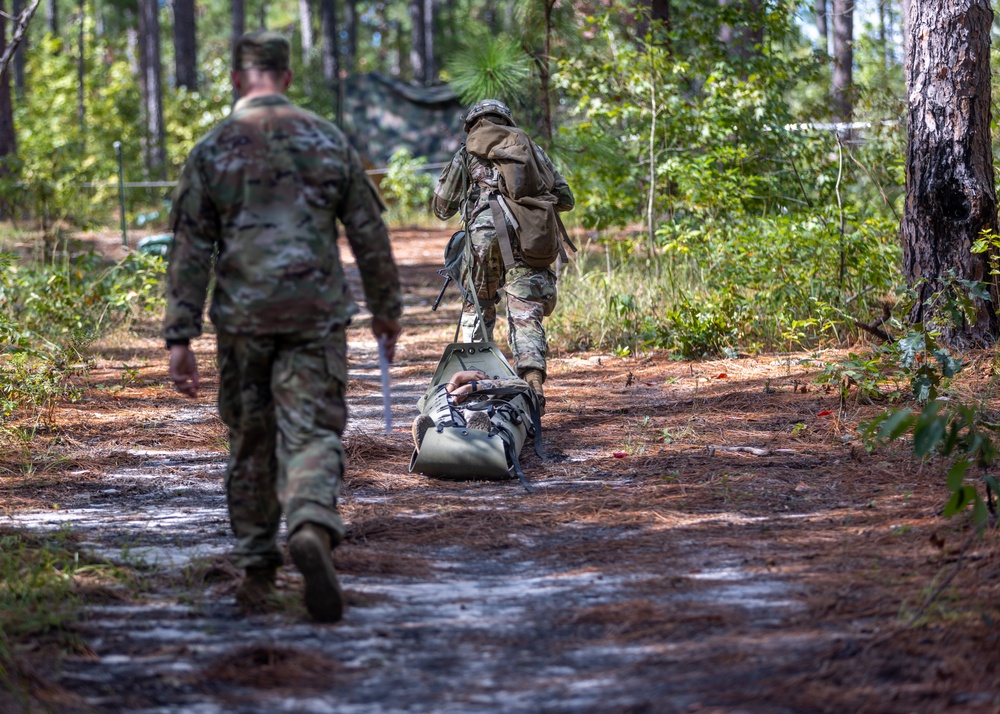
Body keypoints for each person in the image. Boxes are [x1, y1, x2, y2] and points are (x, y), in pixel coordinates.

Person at [163, 31, 402, 623]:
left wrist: (179, 337)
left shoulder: (213, 148)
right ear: (287, 78)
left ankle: (257, 571)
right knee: (314, 432)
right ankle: (314, 525)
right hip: (315, 317)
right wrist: (387, 311)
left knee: (250, 440)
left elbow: (190, 247)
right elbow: (369, 232)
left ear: (238, 80)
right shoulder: (327, 140)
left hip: (242, 320)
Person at [432, 99, 574, 413]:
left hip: (483, 243)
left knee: (479, 307)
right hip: (528, 239)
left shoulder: (467, 151)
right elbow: (566, 198)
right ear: (506, 121)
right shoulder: (529, 147)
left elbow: (442, 208)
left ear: (472, 123)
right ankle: (533, 384)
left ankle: (470, 388)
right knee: (524, 315)